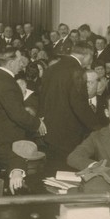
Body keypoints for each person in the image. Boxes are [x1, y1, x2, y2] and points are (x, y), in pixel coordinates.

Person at [40, 41, 101, 175]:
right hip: (69, 133)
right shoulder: (77, 71)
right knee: (68, 173)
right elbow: (79, 105)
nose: (91, 61)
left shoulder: (51, 69)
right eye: (91, 57)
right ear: (86, 55)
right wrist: (98, 127)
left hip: (50, 131)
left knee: (53, 172)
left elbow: (43, 97)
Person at [0, 47, 46, 146]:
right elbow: (17, 113)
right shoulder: (6, 83)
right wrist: (37, 123)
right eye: (19, 61)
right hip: (6, 138)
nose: (22, 65)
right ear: (11, 63)